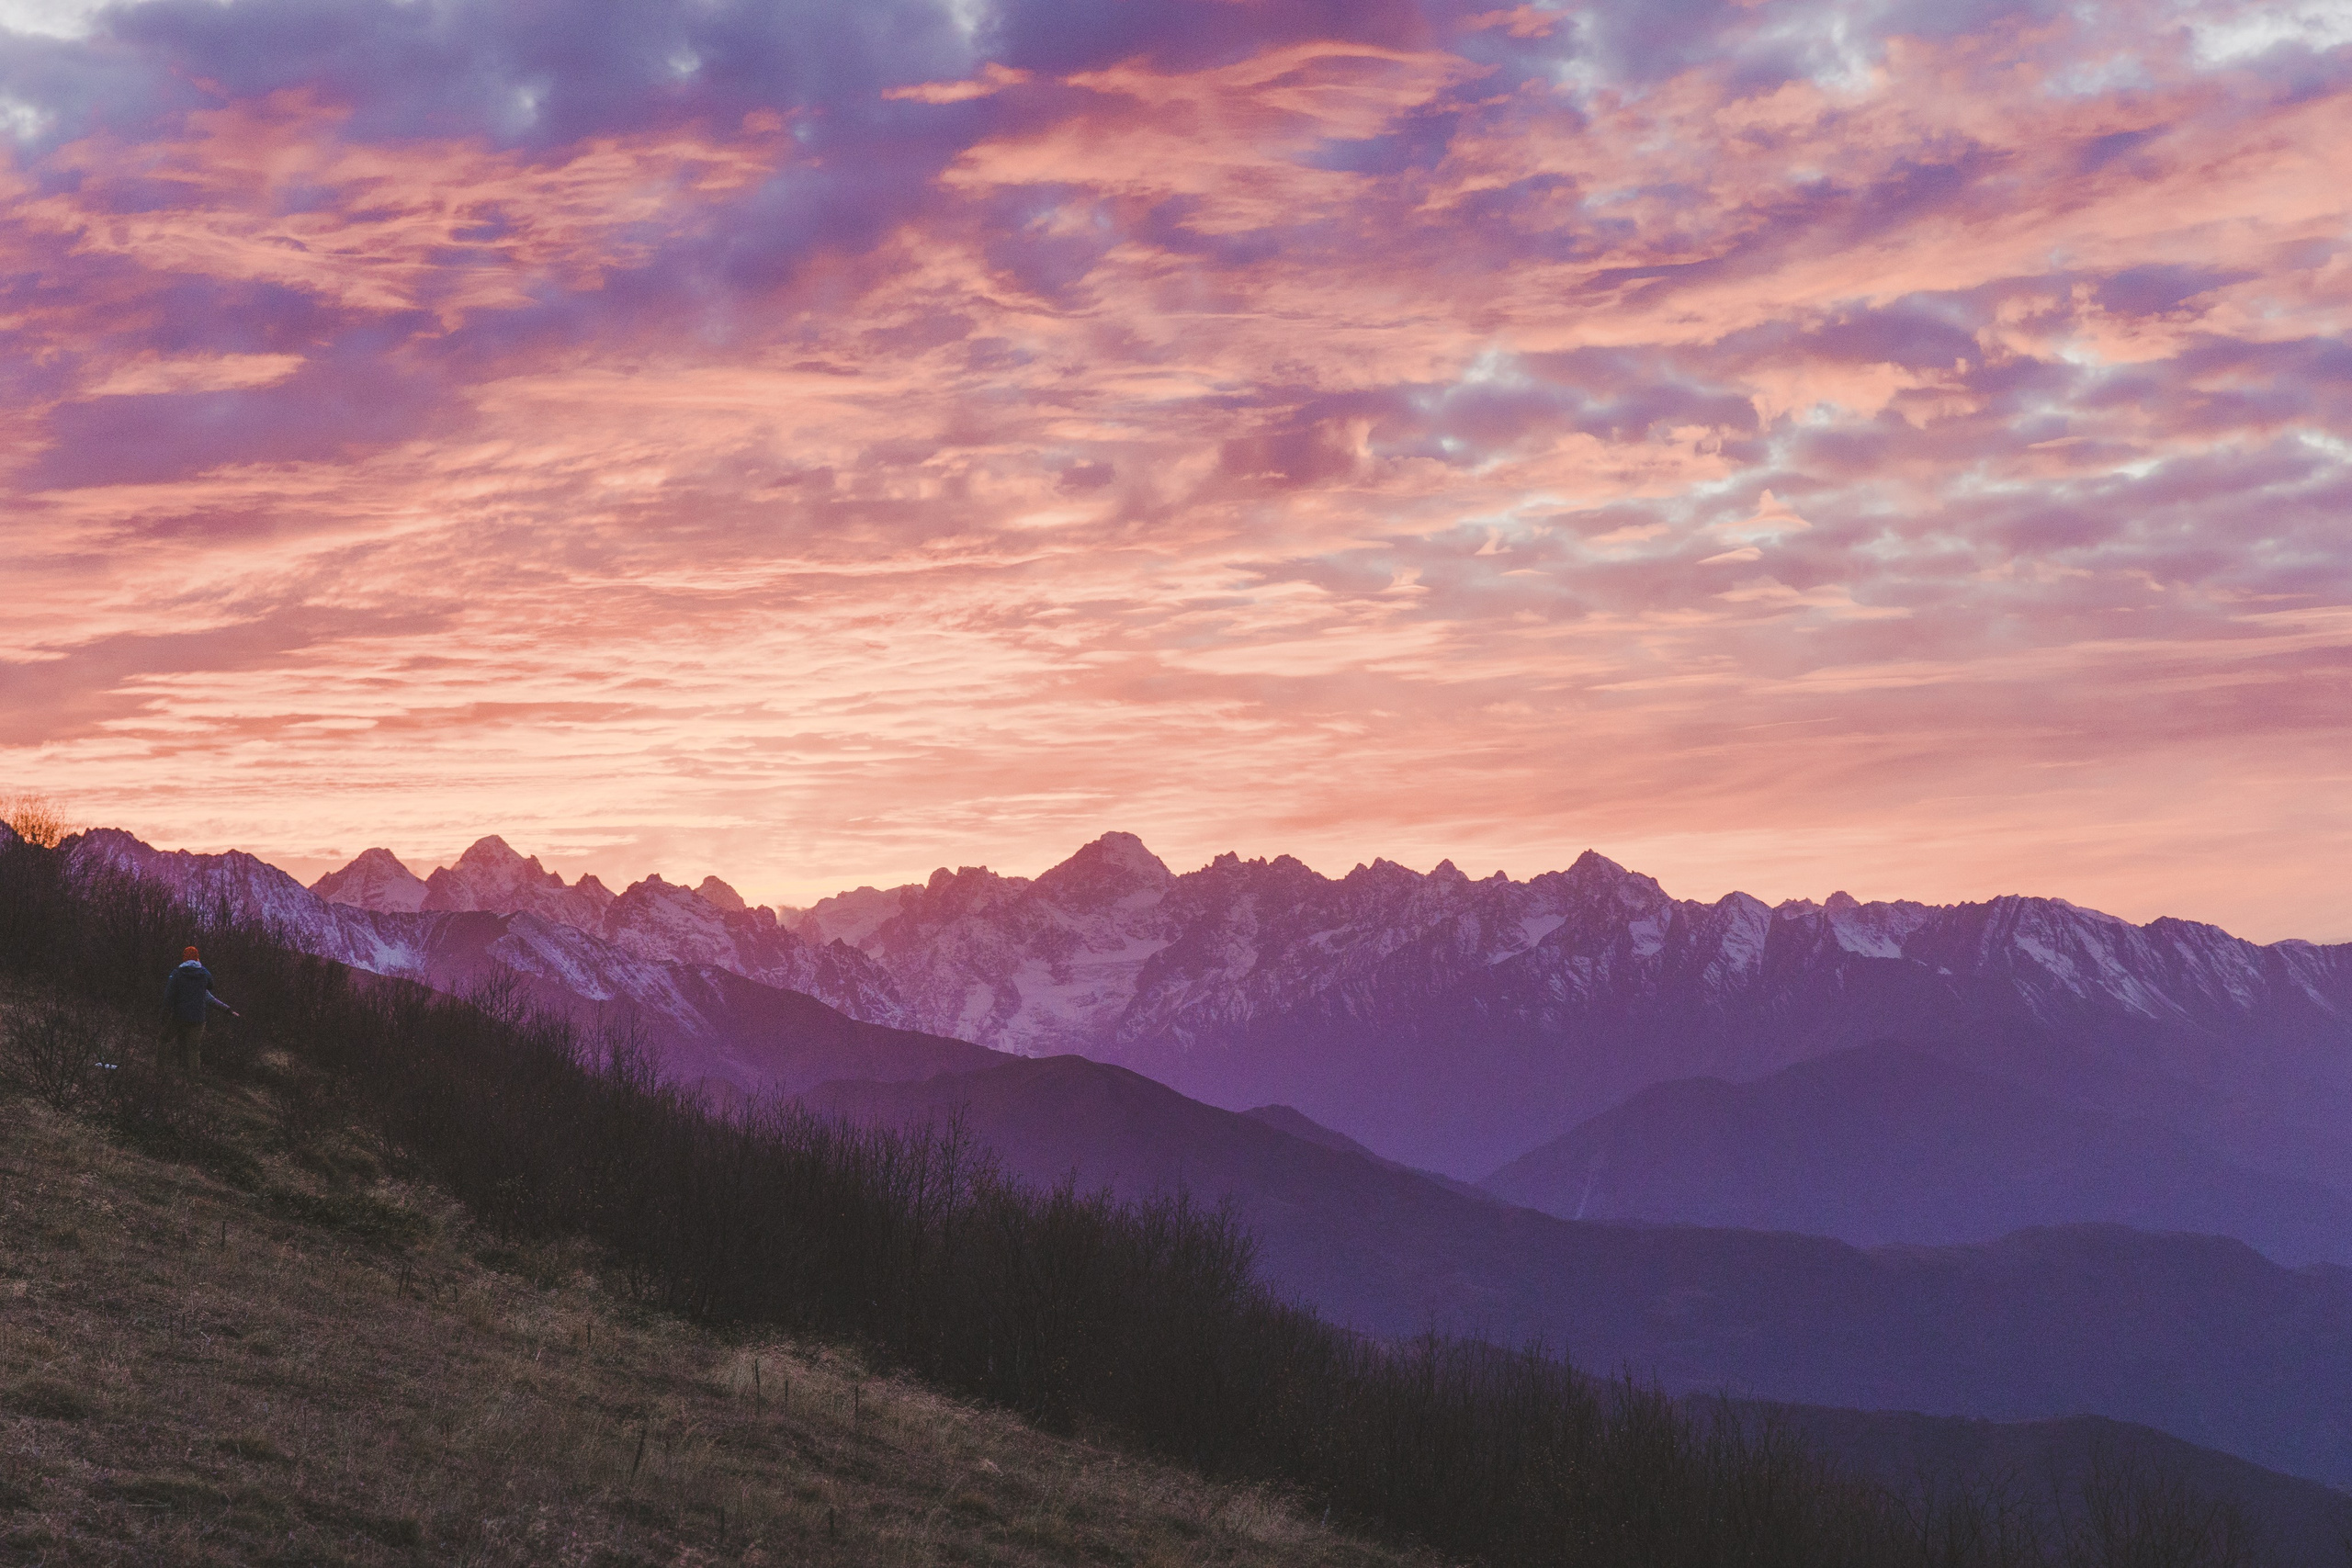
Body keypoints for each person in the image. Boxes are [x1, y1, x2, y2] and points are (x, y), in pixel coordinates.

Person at [163, 945, 238, 1074]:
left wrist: (163, 1015)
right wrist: (228, 1010)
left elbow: (168, 996)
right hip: (198, 1019)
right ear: (197, 959)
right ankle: (194, 1081)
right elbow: (211, 999)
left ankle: (160, 1072)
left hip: (179, 1016)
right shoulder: (202, 977)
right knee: (194, 1050)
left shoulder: (177, 974)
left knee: (164, 1040)